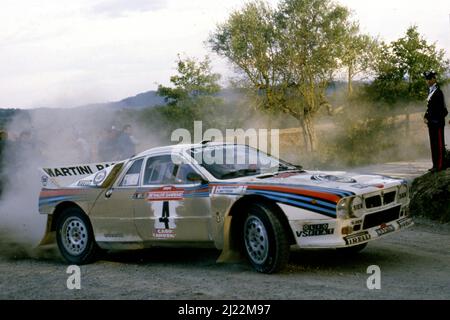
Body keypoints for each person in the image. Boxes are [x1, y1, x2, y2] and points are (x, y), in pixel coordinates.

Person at [423, 71, 448, 172]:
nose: (428, 81)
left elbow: (442, 109)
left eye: (429, 79)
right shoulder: (431, 91)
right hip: (431, 123)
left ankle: (440, 165)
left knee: (439, 145)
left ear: (434, 79)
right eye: (427, 79)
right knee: (433, 145)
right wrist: (426, 116)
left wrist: (435, 120)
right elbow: (430, 108)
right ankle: (435, 165)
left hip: (437, 123)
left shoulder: (438, 92)